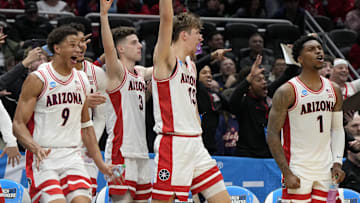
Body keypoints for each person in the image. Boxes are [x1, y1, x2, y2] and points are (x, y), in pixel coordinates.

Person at [12, 26, 113, 203]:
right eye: (72, 44)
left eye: (80, 44)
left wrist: (101, 164)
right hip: (45, 156)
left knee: (83, 201)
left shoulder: (81, 79)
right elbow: (18, 124)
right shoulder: (38, 78)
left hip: (73, 155)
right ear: (57, 49)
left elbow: (87, 127)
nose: (79, 48)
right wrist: (35, 148)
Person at [151, 0, 231, 202]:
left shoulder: (191, 66)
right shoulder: (166, 59)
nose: (202, 38)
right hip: (173, 142)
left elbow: (192, 106)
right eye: (198, 33)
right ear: (184, 35)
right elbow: (167, 19)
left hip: (196, 143)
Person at [267, 35, 345, 202]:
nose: (318, 51)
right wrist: (286, 172)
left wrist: (337, 162)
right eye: (311, 49)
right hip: (298, 168)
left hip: (326, 170)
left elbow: (338, 129)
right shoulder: (286, 91)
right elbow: (272, 134)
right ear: (300, 59)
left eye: (319, 48)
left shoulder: (334, 89)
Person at [100, 0, 153, 202]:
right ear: (120, 49)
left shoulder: (139, 73)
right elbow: (108, 47)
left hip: (141, 150)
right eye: (133, 43)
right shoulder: (117, 72)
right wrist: (104, 15)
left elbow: (163, 68)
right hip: (121, 150)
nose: (140, 46)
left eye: (139, 42)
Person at [66, 22, 108, 198]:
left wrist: (91, 144)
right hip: (58, 145)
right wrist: (82, 102)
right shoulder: (47, 73)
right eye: (75, 42)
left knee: (85, 195)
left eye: (83, 41)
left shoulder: (97, 73)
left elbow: (101, 116)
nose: (82, 46)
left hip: (86, 145)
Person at [229, 58, 272, 158]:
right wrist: (250, 77)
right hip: (246, 155)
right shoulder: (244, 103)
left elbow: (284, 77)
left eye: (264, 79)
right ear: (249, 86)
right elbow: (233, 100)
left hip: (267, 154)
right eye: (258, 80)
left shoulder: (267, 100)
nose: (264, 82)